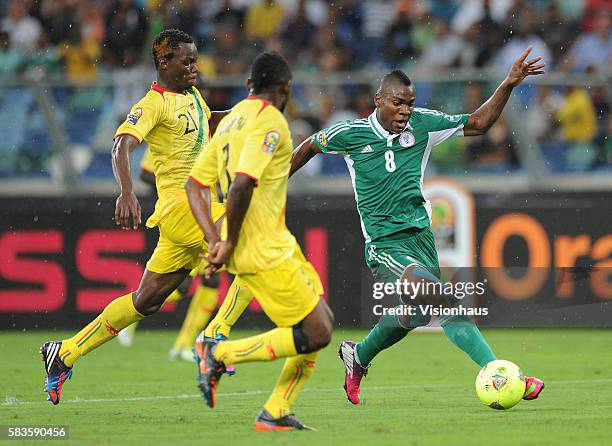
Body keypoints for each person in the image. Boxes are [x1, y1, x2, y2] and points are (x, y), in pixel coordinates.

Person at [290, 46, 546, 405]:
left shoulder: (423, 124)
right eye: (397, 103)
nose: (405, 111)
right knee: (447, 304)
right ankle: (501, 372)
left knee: (416, 313)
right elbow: (309, 147)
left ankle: (358, 356)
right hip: (385, 245)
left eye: (409, 104)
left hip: (421, 239)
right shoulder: (350, 133)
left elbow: (478, 123)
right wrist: (271, 185)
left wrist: (507, 84)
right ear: (378, 100)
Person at [39, 29, 252, 405]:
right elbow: (122, 144)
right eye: (186, 61)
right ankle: (212, 340)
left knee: (146, 301)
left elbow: (208, 123)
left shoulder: (192, 97)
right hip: (184, 206)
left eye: (195, 59)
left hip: (183, 217)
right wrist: (125, 191)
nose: (194, 67)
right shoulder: (153, 103)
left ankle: (65, 353)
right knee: (254, 245)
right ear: (164, 62)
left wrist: (246, 112)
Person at [186, 51, 333, 431]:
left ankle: (276, 411)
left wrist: (213, 238)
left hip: (273, 243)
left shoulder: (232, 119)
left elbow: (195, 183)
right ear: (286, 88)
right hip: (262, 248)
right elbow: (241, 183)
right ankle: (217, 351)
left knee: (319, 323)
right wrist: (228, 240)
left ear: (250, 84)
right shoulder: (271, 121)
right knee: (317, 331)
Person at [116, 148, 235, 368]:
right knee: (184, 285)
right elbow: (145, 172)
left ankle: (181, 344)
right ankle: (132, 317)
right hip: (182, 215)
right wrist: (187, 181)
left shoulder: (206, 134)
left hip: (206, 213)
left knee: (208, 281)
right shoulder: (171, 133)